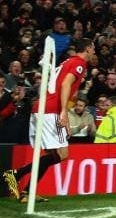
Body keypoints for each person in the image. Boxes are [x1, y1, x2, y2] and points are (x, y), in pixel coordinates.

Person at [4, 38, 95, 203]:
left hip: (41, 108)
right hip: (51, 110)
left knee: (51, 155)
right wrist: (64, 113)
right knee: (62, 154)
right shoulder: (79, 63)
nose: (94, 53)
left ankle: (26, 192)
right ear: (87, 49)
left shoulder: (68, 62)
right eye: (93, 49)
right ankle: (15, 174)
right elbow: (66, 84)